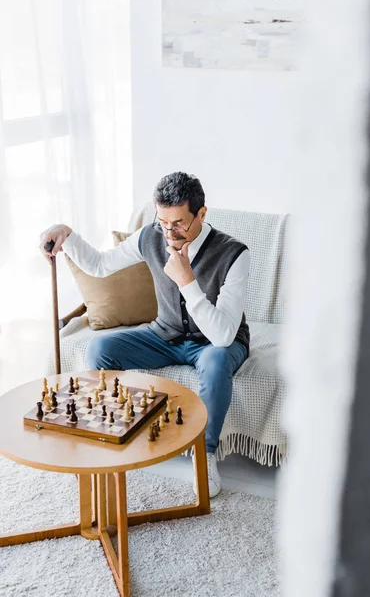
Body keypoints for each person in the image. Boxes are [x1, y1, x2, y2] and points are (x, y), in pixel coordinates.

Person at [39, 172, 250, 498]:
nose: (169, 232)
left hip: (215, 342)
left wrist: (186, 281)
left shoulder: (234, 254)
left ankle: (204, 455)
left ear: (202, 214)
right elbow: (99, 265)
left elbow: (223, 335)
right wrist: (68, 235)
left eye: (178, 223)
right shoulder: (151, 236)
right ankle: (110, 433)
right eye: (163, 222)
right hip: (164, 335)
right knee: (100, 349)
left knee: (218, 361)